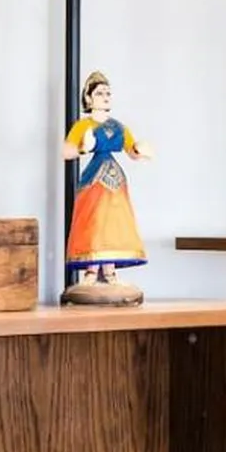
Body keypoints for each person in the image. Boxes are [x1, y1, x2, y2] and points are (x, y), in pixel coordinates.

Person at [62, 70, 151, 304]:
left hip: (115, 182)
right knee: (94, 222)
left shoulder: (119, 127)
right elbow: (67, 151)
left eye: (108, 93)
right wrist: (84, 147)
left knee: (115, 223)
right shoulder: (84, 126)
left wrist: (141, 151)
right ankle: (91, 271)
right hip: (95, 179)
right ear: (89, 98)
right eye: (100, 93)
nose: (105, 97)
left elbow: (131, 149)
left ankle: (110, 271)